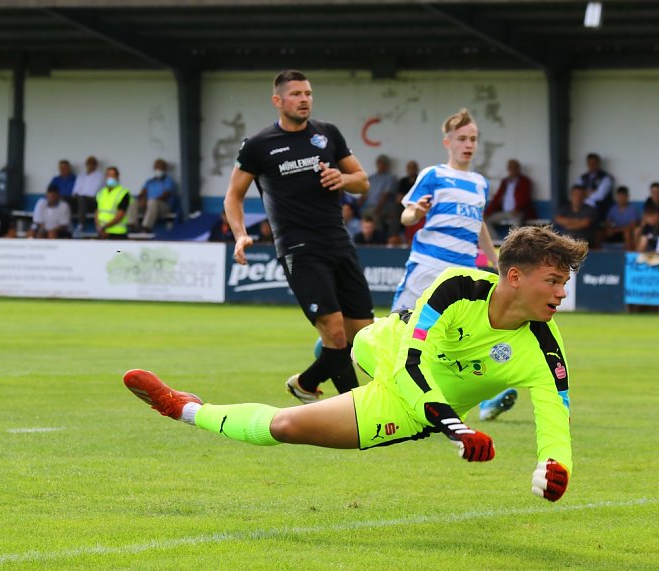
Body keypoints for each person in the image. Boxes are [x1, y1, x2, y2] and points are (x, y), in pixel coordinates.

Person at [124, 225, 587, 504]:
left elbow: (554, 420)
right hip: (385, 349)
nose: (560, 294)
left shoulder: (546, 349)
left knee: (285, 427)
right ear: (513, 276)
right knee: (366, 341)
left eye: (563, 283)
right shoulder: (456, 286)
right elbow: (409, 361)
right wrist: (456, 428)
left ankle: (183, 408)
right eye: (552, 280)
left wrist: (553, 467)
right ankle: (313, 376)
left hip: (411, 404)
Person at [223, 69, 374, 403]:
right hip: (299, 249)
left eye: (308, 93)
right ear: (278, 101)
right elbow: (233, 196)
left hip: (339, 243)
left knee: (362, 338)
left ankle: (305, 384)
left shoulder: (328, 134)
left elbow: (363, 180)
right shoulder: (259, 145)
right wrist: (240, 235)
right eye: (296, 94)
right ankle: (360, 408)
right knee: (335, 334)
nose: (304, 99)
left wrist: (343, 179)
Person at [393, 108, 499, 313]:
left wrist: (495, 261)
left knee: (454, 334)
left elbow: (479, 223)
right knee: (400, 323)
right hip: (429, 263)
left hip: (465, 270)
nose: (468, 144)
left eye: (473, 139)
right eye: (462, 139)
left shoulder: (480, 183)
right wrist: (416, 214)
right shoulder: (433, 174)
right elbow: (406, 217)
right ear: (447, 143)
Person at [484, 158, 537, 240]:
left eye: (515, 167)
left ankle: (511, 243)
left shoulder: (524, 181)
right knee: (484, 220)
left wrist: (517, 209)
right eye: (510, 167)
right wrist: (487, 213)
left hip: (518, 212)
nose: (512, 169)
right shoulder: (505, 181)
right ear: (508, 169)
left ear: (519, 169)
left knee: (517, 223)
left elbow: (525, 198)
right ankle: (496, 242)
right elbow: (496, 199)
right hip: (504, 212)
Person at [138, 158, 178, 234]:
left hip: (164, 207)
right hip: (149, 206)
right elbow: (142, 193)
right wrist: (141, 199)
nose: (158, 170)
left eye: (160, 168)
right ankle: (132, 226)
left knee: (152, 202)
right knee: (133, 203)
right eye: (156, 168)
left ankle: (146, 227)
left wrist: (148, 202)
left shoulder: (168, 181)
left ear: (165, 169)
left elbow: (165, 196)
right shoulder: (149, 181)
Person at [94, 166, 130, 240]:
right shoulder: (100, 193)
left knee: (119, 252)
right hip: (102, 233)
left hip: (118, 233)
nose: (110, 178)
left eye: (113, 175)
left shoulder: (123, 193)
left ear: (117, 177)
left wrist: (104, 227)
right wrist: (99, 228)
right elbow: (97, 212)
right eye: (108, 175)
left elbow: (120, 215)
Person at [577, 152, 614, 223]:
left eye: (594, 163)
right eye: (590, 163)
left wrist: (584, 193)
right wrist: (592, 191)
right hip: (583, 209)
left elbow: (600, 196)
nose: (592, 165)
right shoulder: (583, 178)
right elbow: (576, 192)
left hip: (600, 210)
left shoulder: (606, 178)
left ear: (598, 163)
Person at [71, 156, 103, 234]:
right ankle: (67, 225)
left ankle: (81, 224)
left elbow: (94, 191)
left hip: (93, 200)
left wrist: (81, 195)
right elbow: (75, 190)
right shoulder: (81, 176)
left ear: (95, 165)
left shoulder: (99, 176)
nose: (90, 165)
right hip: (79, 198)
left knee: (82, 199)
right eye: (89, 163)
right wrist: (75, 195)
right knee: (65, 200)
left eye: (92, 163)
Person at [602, 186, 639, 251]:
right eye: (619, 196)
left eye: (623, 197)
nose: (621, 199)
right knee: (600, 233)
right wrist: (609, 227)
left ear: (627, 197)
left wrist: (616, 230)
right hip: (614, 232)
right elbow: (608, 221)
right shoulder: (613, 208)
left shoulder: (632, 209)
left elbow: (632, 225)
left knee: (627, 233)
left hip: (625, 233)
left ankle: (628, 256)